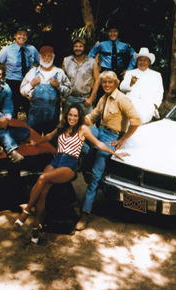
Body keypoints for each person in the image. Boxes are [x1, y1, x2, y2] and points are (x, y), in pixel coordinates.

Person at [14, 103, 128, 244]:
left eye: (75, 115)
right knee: (43, 190)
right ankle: (36, 229)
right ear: (66, 115)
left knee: (42, 178)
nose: (72, 118)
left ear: (79, 117)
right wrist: (35, 144)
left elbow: (99, 144)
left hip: (69, 164)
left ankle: (25, 212)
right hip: (57, 160)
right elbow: (49, 136)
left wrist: (115, 153)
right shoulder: (62, 127)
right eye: (70, 115)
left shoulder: (83, 129)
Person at [76, 70, 141, 230]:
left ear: (115, 83)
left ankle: (84, 214)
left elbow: (136, 121)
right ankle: (83, 159)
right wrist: (84, 120)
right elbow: (94, 115)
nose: (106, 85)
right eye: (104, 82)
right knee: (79, 132)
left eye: (109, 82)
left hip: (111, 136)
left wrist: (123, 139)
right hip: (100, 130)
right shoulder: (104, 98)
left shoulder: (122, 99)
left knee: (95, 176)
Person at [20, 46, 71, 135]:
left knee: (51, 143)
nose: (47, 58)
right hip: (35, 116)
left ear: (53, 57)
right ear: (40, 56)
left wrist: (58, 86)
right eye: (44, 56)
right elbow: (22, 91)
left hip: (53, 115)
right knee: (33, 140)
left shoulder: (59, 73)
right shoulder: (33, 72)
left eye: (49, 56)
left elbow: (68, 91)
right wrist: (31, 84)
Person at [0, 26, 40, 118]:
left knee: (31, 112)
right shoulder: (7, 50)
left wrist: (38, 77)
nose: (22, 37)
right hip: (13, 84)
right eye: (19, 34)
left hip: (29, 84)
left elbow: (42, 65)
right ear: (15, 36)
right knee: (12, 112)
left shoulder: (32, 49)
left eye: (24, 35)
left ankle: (31, 131)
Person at [119, 47, 164, 124]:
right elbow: (121, 87)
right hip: (131, 107)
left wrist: (154, 106)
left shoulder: (156, 75)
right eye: (140, 60)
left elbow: (160, 92)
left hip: (147, 108)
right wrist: (131, 83)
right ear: (137, 61)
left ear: (149, 62)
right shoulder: (130, 73)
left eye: (145, 60)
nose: (142, 62)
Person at [62, 36, 101, 115]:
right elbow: (61, 79)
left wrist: (91, 98)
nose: (78, 48)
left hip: (84, 99)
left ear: (84, 48)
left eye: (80, 46)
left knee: (89, 124)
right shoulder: (66, 60)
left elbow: (98, 80)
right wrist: (62, 96)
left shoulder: (92, 62)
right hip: (69, 98)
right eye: (76, 46)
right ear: (73, 48)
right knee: (67, 124)